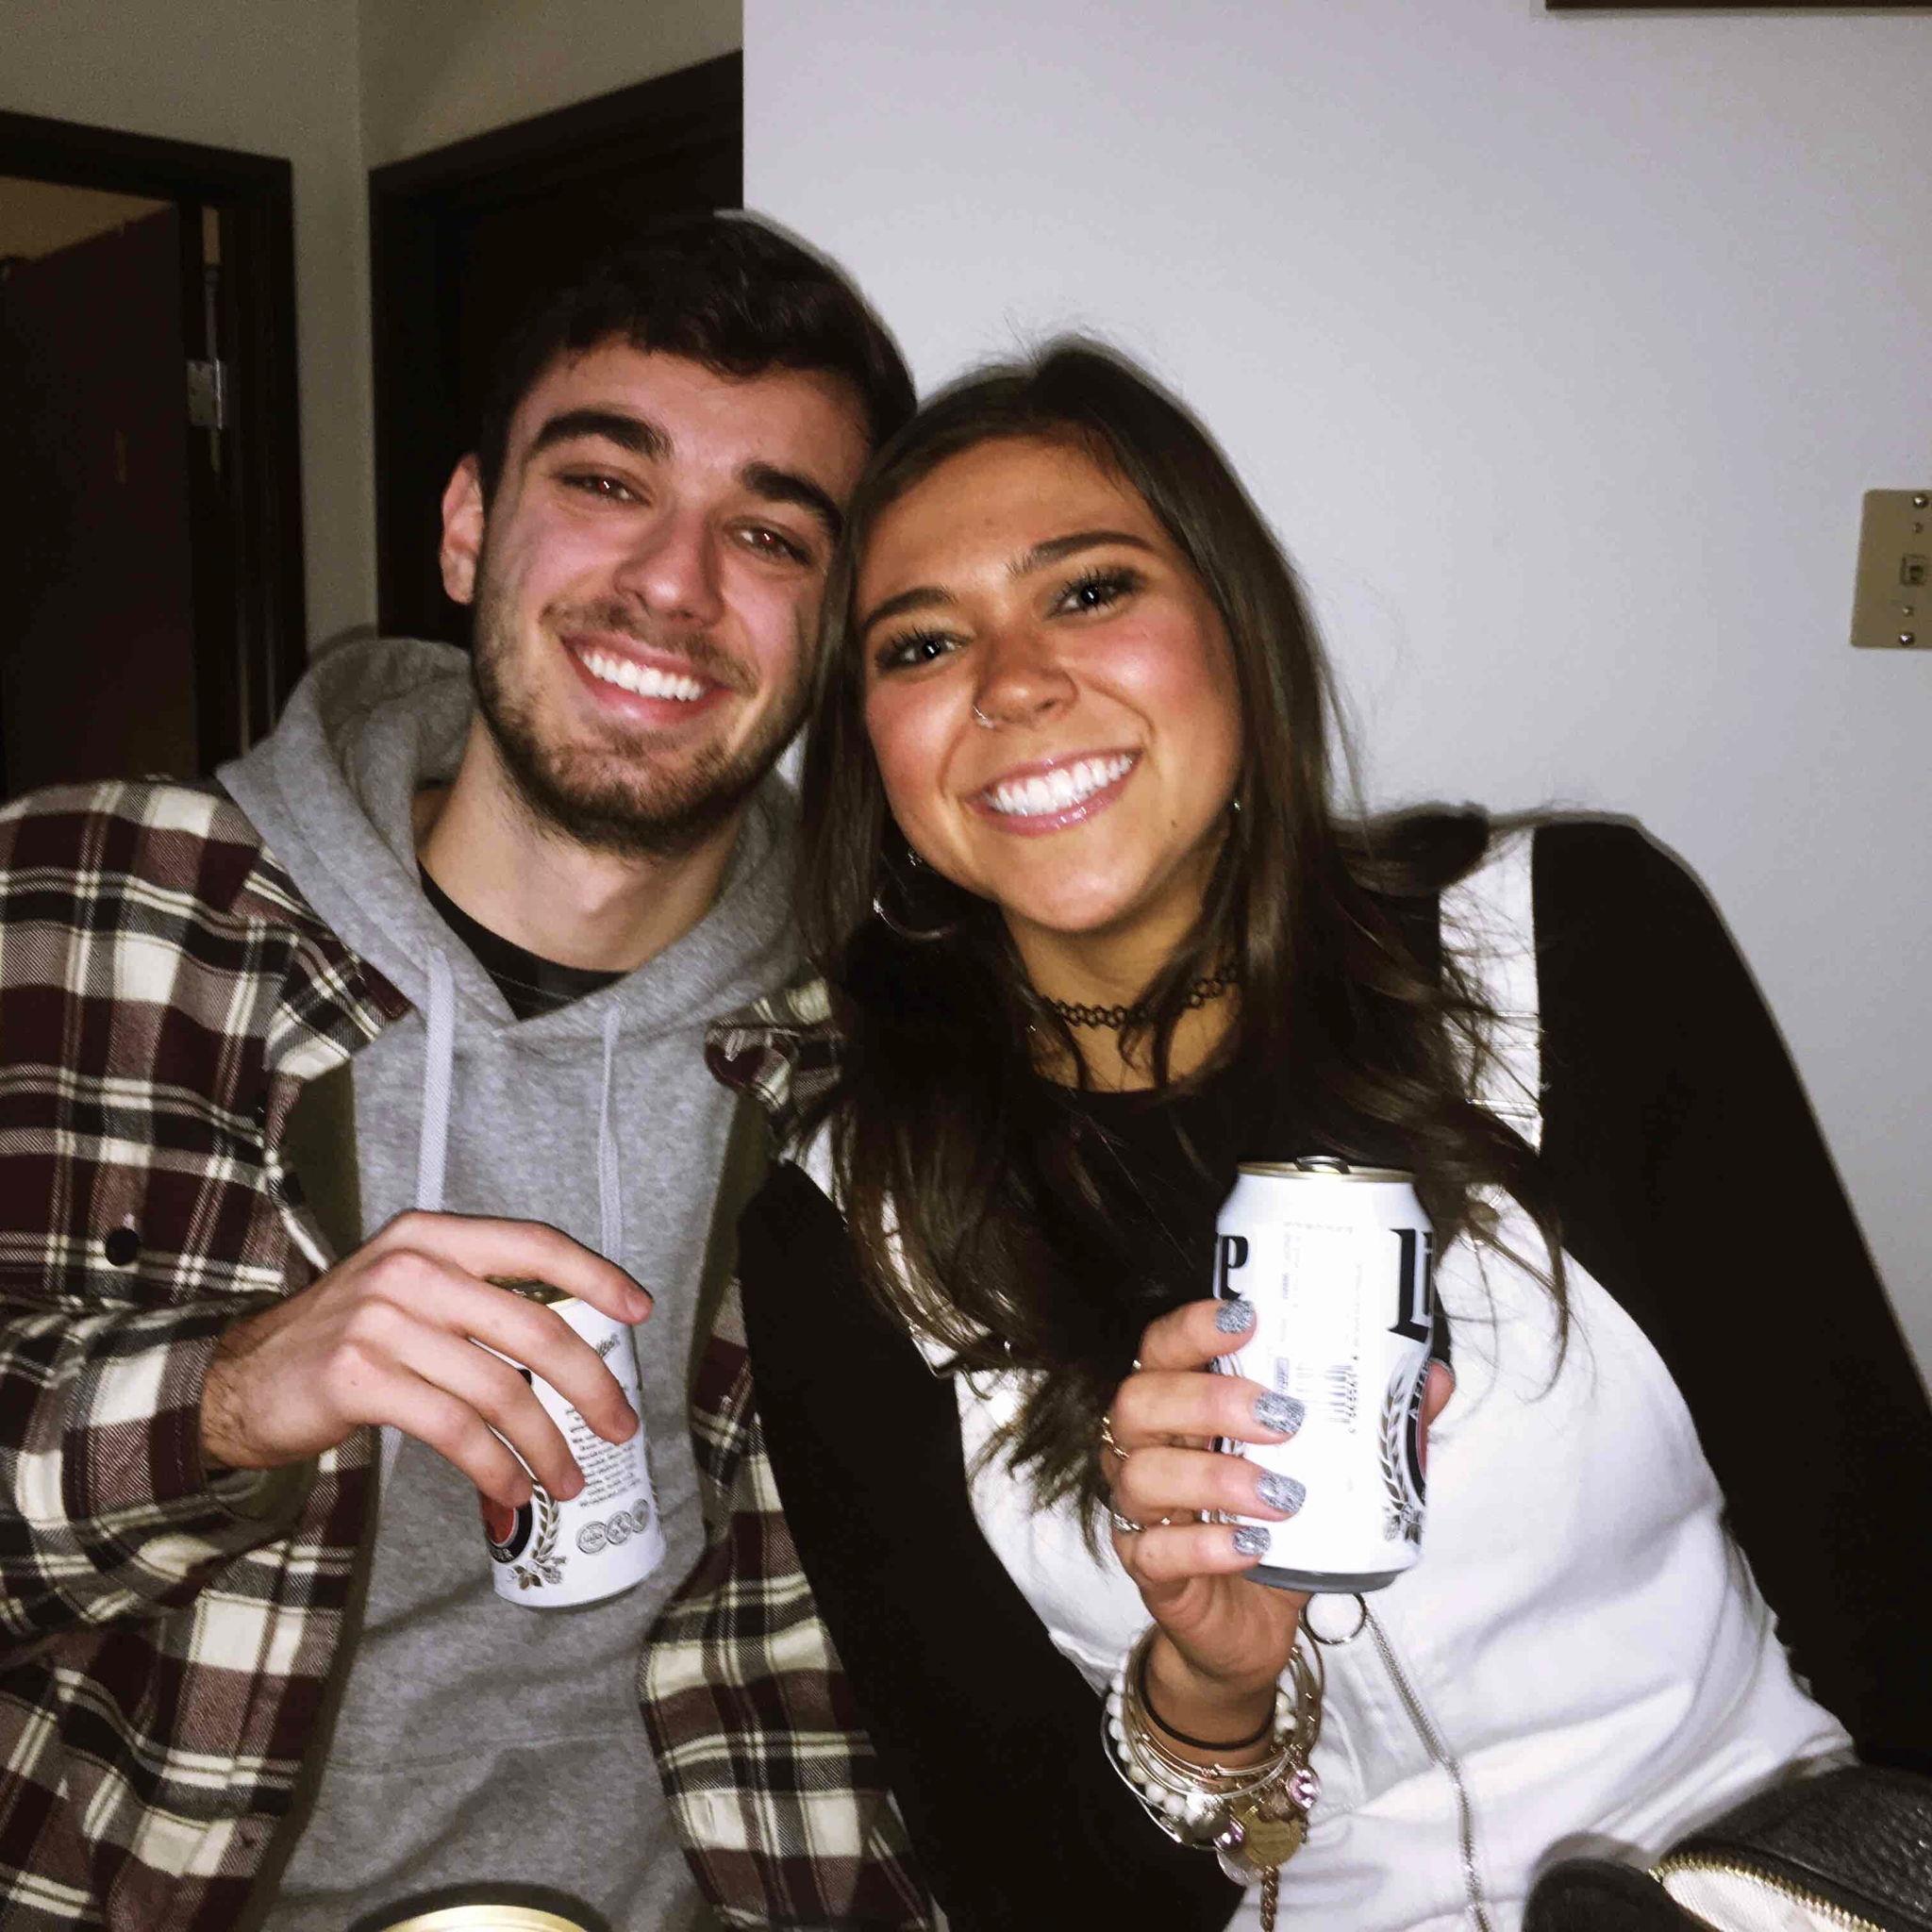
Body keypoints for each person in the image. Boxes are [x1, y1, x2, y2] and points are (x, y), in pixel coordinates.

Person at [640, 342, 1932, 1930]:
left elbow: (1882, 1571)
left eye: (1090, 591)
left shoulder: (1575, 954)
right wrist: (1202, 1694)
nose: (1013, 682)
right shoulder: (841, 1236)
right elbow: (1026, 1886)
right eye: (921, 643)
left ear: (1234, 632)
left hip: (1757, 1881)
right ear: (872, 750)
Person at [0, 213, 912, 1932]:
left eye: (770, 533)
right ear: (468, 524)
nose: (675, 584)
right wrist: (230, 1397)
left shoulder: (883, 1052)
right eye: (608, 482)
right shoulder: (79, 909)